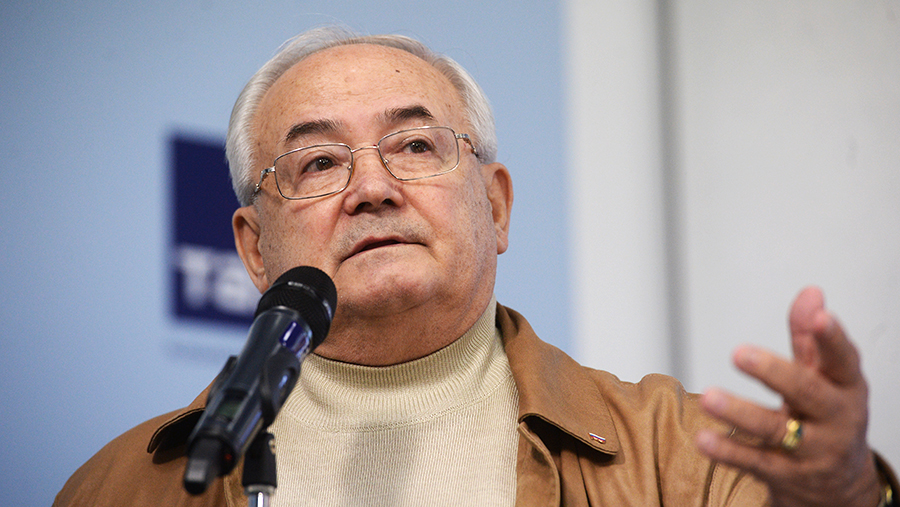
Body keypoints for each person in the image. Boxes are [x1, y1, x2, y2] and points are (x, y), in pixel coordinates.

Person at [54, 26, 897, 506]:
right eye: (319, 163)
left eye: (416, 146)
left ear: (496, 206)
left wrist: (851, 493)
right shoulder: (120, 486)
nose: (372, 188)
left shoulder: (684, 456)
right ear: (252, 247)